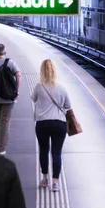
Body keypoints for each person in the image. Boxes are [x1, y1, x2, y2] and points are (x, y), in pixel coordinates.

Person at [30, 59, 72, 192]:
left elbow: (33, 98)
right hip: (59, 124)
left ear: (42, 71)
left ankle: (44, 179)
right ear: (55, 70)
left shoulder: (39, 86)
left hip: (42, 123)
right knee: (56, 152)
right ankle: (55, 183)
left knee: (43, 150)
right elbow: (68, 106)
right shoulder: (62, 87)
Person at [0, 44, 21, 155]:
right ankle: (1, 149)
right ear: (5, 52)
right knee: (4, 122)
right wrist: (16, 91)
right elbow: (19, 75)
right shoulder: (10, 63)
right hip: (7, 98)